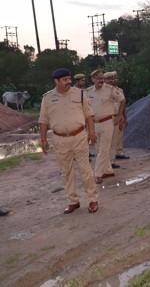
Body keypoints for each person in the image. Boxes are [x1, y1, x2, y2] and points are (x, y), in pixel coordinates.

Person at [39, 68, 98, 214]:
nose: (69, 82)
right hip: (59, 139)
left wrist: (91, 132)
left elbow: (89, 115)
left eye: (69, 79)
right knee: (66, 172)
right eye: (65, 80)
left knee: (86, 170)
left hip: (79, 137)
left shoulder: (81, 94)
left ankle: (92, 200)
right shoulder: (47, 98)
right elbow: (43, 121)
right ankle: (73, 201)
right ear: (56, 81)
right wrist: (43, 139)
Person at [87, 69, 124, 183]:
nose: (101, 80)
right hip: (94, 123)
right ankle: (108, 170)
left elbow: (122, 100)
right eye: (98, 78)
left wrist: (119, 115)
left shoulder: (110, 89)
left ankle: (97, 174)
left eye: (102, 78)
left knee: (104, 149)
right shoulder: (88, 92)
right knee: (99, 149)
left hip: (107, 122)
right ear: (93, 79)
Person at [104, 71, 129, 165]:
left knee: (118, 136)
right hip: (107, 118)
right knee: (108, 140)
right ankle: (108, 160)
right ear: (105, 80)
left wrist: (123, 117)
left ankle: (117, 154)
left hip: (118, 116)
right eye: (110, 78)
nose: (113, 80)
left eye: (114, 78)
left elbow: (123, 104)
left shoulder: (119, 90)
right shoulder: (103, 91)